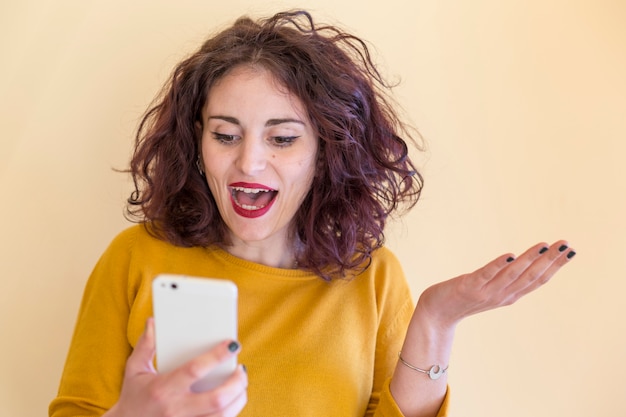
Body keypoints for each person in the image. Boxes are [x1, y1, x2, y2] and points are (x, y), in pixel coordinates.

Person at [49, 9, 576, 417]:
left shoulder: (373, 278)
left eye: (281, 138)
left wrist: (437, 320)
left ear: (326, 151)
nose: (248, 161)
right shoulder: (134, 258)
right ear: (197, 143)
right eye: (225, 135)